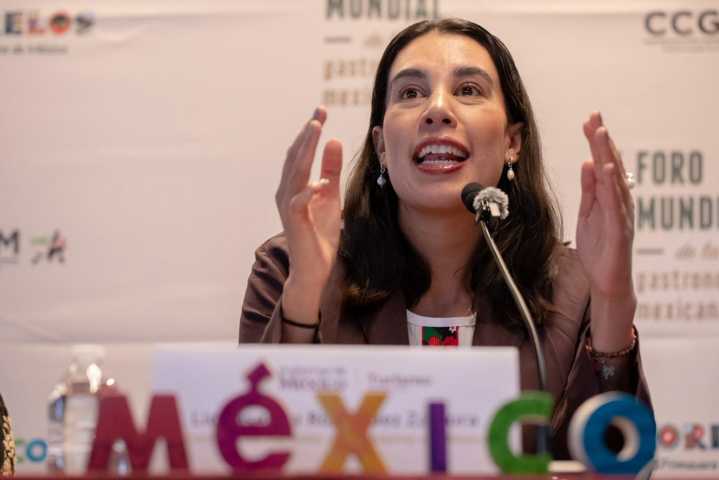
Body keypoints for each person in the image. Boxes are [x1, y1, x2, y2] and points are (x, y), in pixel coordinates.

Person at [239, 18, 651, 458]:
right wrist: (305, 293)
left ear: (512, 142)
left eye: (468, 90)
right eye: (410, 93)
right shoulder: (289, 267)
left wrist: (612, 303)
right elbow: (254, 450)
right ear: (381, 146)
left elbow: (616, 463)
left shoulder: (577, 287)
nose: (437, 109)